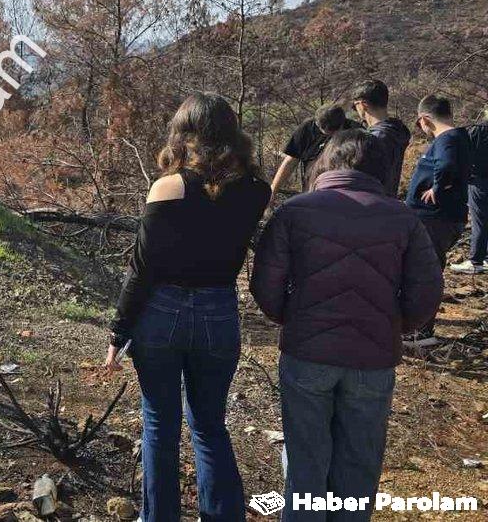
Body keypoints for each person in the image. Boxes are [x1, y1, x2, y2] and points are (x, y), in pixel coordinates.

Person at [252, 130, 442, 522]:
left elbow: (265, 284)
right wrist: (395, 325)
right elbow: (426, 292)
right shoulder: (402, 217)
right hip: (372, 358)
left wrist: (291, 316)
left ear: (326, 163)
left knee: (305, 459)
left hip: (307, 353)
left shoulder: (295, 211)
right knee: (359, 462)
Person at [104, 92, 270, 522]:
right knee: (210, 425)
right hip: (219, 311)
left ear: (185, 135)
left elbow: (142, 268)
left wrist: (118, 332)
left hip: (161, 312)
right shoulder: (256, 190)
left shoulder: (168, 187)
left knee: (160, 424)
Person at [404, 94, 471, 347]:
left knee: (424, 272)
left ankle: (420, 333)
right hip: (442, 218)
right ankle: (418, 329)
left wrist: (437, 189)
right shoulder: (460, 138)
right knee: (427, 270)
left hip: (434, 219)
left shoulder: (447, 140)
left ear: (425, 120)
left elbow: (445, 165)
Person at [269, 102, 359, 202]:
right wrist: (273, 191)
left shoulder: (356, 134)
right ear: (317, 123)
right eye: (322, 130)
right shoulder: (307, 128)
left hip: (344, 195)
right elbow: (291, 161)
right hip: (311, 192)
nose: (328, 134)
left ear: (342, 124)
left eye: (332, 132)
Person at [349, 79, 411, 196]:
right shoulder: (398, 130)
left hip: (370, 201)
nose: (355, 110)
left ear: (363, 105)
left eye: (355, 106)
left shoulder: (373, 139)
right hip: (389, 198)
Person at [450, 111, 488, 274]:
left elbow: (463, 154)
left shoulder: (478, 129)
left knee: (479, 221)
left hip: (479, 180)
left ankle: (476, 261)